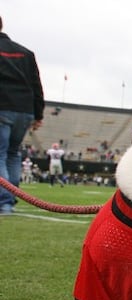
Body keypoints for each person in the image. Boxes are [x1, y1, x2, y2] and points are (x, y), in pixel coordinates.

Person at [0, 16, 45, 214]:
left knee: (1, 154)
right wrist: (38, 114)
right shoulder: (25, 53)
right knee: (12, 154)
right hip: (24, 110)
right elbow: (36, 85)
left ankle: (4, 201)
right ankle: (10, 198)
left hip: (3, 107)